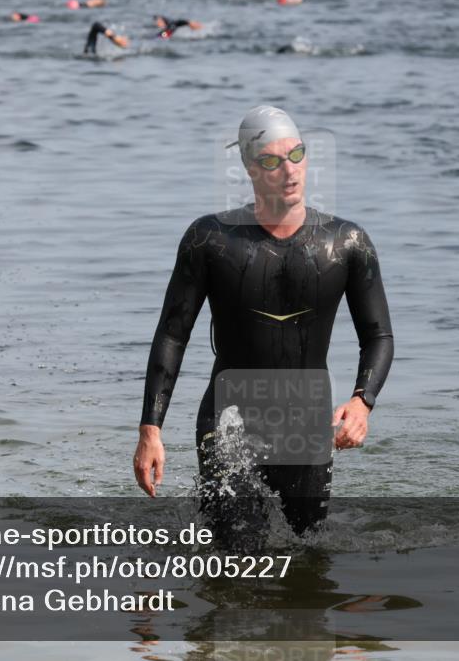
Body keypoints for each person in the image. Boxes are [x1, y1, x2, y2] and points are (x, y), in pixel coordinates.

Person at [133, 105, 394, 536]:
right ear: (250, 169)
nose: (289, 171)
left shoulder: (346, 242)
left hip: (308, 426)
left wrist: (362, 401)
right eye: (271, 161)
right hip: (229, 422)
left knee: (308, 564)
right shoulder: (210, 240)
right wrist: (150, 429)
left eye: (297, 155)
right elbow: (172, 335)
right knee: (235, 566)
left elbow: (378, 335)